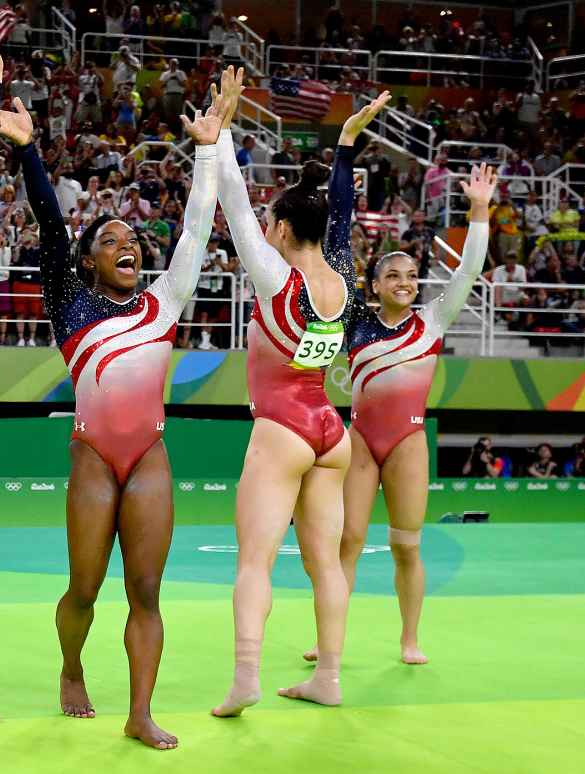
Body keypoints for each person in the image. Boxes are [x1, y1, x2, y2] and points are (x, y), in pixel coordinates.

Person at [0, 83, 226, 749]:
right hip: (92, 458)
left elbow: (197, 231)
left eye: (134, 239)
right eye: (111, 240)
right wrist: (29, 154)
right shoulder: (71, 306)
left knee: (146, 591)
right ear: (89, 261)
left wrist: (207, 155)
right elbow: (50, 228)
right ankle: (71, 665)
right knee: (84, 590)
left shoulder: (164, 303)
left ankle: (141, 712)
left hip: (148, 455)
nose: (129, 245)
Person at [210, 66, 390, 716]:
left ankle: (246, 676)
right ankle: (329, 677)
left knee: (254, 560)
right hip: (330, 431)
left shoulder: (275, 276)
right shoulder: (341, 275)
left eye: (270, 224)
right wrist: (344, 145)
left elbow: (231, 198)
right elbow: (338, 210)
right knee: (327, 565)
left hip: (282, 428)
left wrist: (222, 130)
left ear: (282, 230)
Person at [310, 164, 493, 668]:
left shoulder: (433, 321)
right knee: (346, 542)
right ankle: (329, 638)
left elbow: (469, 272)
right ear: (375, 283)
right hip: (362, 441)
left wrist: (478, 211)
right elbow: (333, 257)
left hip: (408, 443)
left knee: (406, 547)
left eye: (412, 275)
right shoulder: (357, 322)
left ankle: (409, 639)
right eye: (393, 275)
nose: (405, 282)